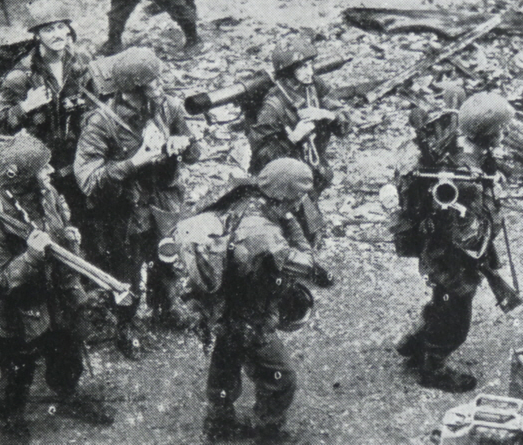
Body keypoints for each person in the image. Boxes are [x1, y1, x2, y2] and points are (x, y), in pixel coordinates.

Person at [0, 135, 112, 436]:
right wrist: (31, 257)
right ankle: (10, 420)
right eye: (42, 168)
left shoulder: (48, 194)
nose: (50, 171)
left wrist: (68, 238)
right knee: (18, 374)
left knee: (68, 353)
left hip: (60, 297)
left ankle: (68, 395)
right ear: (23, 179)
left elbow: (59, 228)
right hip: (21, 311)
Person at [74, 47, 199, 357]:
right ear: (131, 92)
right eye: (153, 83)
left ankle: (167, 306)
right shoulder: (101, 123)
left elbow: (195, 153)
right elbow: (88, 180)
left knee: (168, 256)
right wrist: (135, 162)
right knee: (126, 272)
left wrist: (184, 144)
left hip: (165, 201)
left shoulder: (168, 107)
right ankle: (125, 325)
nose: (162, 86)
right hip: (126, 211)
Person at [393, 92, 514, 393]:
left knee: (441, 301)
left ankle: (415, 342)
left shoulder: (459, 149)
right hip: (453, 260)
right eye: (501, 129)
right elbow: (472, 235)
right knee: (456, 319)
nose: (505, 133)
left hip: (440, 251)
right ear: (487, 135)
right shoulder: (464, 179)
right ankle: (433, 367)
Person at [202, 158, 316, 441]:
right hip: (252, 318)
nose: (301, 201)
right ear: (285, 197)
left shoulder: (243, 199)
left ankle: (218, 422)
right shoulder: (265, 234)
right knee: (282, 379)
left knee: (226, 362)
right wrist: (290, 220)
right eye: (298, 196)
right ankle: (267, 429)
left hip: (224, 307)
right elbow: (306, 262)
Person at [0, 0, 92, 256]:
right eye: (48, 29)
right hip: (44, 164)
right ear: (36, 34)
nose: (57, 35)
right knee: (55, 225)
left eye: (61, 27)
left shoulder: (81, 61)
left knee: (87, 218)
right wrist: (24, 107)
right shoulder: (21, 76)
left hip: (80, 153)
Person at [248, 37, 351, 286]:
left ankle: (303, 267)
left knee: (309, 224)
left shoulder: (314, 87)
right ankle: (289, 277)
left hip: (311, 172)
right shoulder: (273, 105)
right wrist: (293, 139)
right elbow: (261, 155)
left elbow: (346, 123)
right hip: (283, 180)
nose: (309, 71)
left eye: (310, 65)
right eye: (301, 67)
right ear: (287, 72)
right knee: (291, 228)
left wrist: (326, 114)